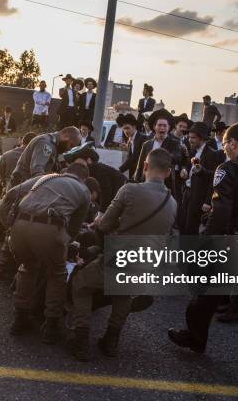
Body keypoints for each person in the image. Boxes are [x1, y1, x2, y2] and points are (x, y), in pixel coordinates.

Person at [168, 123, 238, 400]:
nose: (224, 148)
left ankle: (196, 337)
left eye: (225, 144)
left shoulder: (228, 168)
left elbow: (222, 208)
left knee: (206, 292)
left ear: (231, 144)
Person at [70, 149, 177, 361]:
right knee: (124, 294)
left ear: (145, 166)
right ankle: (111, 339)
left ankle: (80, 337)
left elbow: (105, 224)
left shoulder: (129, 190)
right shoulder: (173, 203)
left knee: (81, 285)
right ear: (169, 172)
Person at [9, 163, 91, 344]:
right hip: (49, 227)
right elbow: (75, 227)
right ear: (83, 178)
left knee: (27, 268)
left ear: (65, 172)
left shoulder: (46, 177)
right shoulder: (83, 190)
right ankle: (51, 326)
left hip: (19, 225)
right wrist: (64, 242)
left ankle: (19, 320)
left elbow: (12, 193)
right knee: (57, 274)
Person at [181, 122, 221, 235]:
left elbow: (213, 178)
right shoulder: (193, 151)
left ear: (202, 138)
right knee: (182, 224)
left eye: (193, 138)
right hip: (187, 193)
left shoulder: (212, 154)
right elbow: (188, 167)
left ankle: (189, 251)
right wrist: (184, 170)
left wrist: (208, 201)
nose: (190, 140)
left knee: (191, 228)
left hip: (199, 197)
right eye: (189, 137)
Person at [8, 126, 81, 188]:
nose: (69, 149)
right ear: (66, 137)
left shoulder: (58, 146)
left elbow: (60, 168)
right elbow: (37, 172)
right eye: (71, 145)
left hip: (28, 186)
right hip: (20, 188)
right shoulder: (46, 144)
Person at [133, 109, 180, 188]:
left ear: (168, 128)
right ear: (154, 127)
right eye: (159, 125)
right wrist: (136, 182)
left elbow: (176, 158)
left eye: (165, 126)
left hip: (165, 183)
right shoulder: (147, 144)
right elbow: (140, 165)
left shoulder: (174, 143)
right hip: (146, 182)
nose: (162, 128)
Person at [117, 113, 146, 180]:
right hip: (134, 175)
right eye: (124, 129)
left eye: (127, 128)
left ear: (134, 126)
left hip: (142, 176)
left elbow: (134, 159)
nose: (126, 131)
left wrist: (119, 170)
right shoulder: (130, 141)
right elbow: (130, 159)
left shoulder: (142, 138)